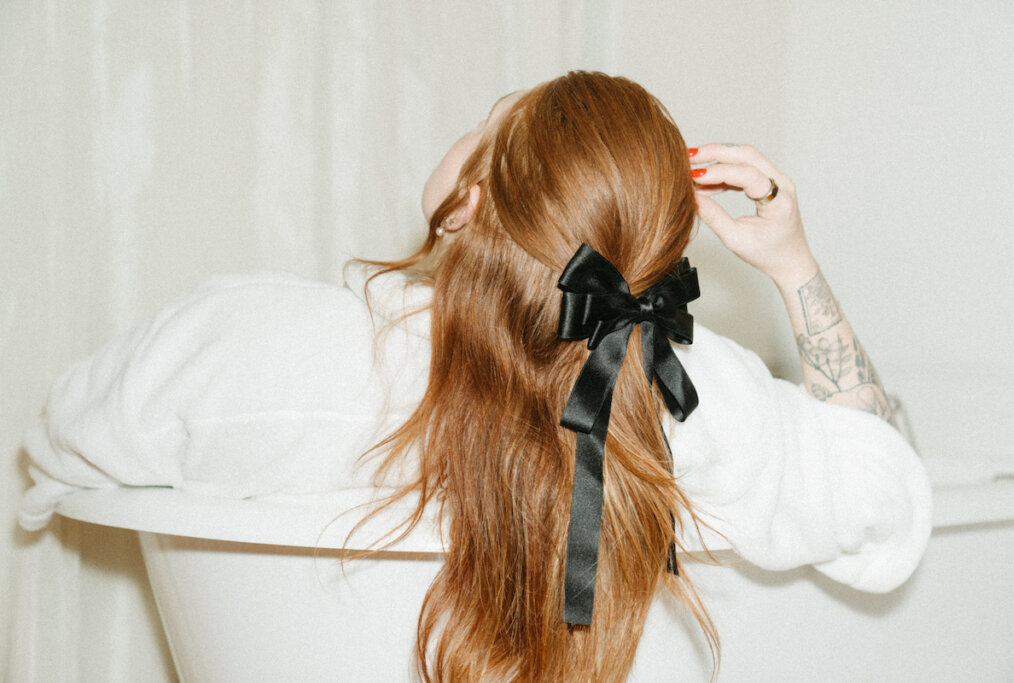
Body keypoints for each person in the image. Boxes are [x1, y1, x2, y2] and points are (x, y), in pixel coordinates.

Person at [20, 71, 930, 682]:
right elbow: (890, 491)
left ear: (467, 198)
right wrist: (794, 263)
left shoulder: (269, 343)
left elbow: (67, 432)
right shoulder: (700, 400)